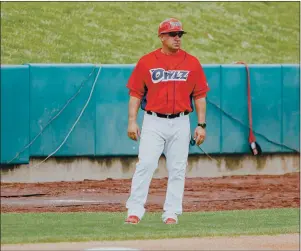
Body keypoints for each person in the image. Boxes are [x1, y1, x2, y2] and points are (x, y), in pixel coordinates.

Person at [125, 18, 210, 225]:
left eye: (180, 34)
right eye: (173, 34)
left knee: (178, 168)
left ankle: (171, 212)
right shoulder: (147, 62)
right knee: (145, 164)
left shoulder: (192, 62)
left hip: (181, 121)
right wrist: (131, 121)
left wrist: (201, 124)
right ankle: (134, 211)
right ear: (162, 37)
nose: (177, 38)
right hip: (153, 121)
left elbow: (200, 96)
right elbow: (135, 94)